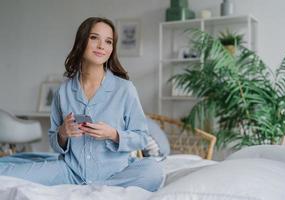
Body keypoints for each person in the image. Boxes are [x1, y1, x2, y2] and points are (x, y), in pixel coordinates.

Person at [0, 17, 163, 192]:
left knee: (153, 172)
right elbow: (54, 142)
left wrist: (113, 134)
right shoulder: (63, 91)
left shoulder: (125, 89)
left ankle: (96, 188)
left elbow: (142, 137)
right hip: (69, 171)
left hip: (115, 173)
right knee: (6, 172)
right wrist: (63, 133)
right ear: (81, 41)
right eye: (94, 38)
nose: (102, 46)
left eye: (108, 41)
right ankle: (93, 189)